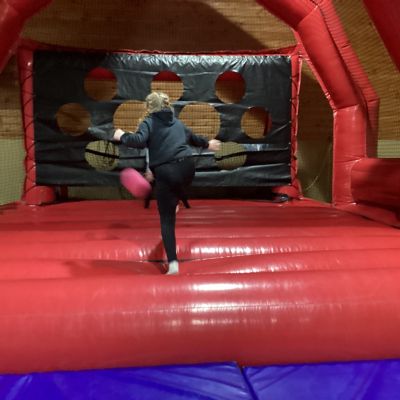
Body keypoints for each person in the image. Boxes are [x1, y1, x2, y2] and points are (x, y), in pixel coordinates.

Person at [113, 91, 221, 275]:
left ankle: (173, 264)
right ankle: (176, 200)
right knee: (176, 185)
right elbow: (192, 137)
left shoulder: (149, 122)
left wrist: (121, 135)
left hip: (168, 172)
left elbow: (139, 141)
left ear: (149, 107)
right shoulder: (177, 122)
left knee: (167, 220)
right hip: (188, 169)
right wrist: (207, 144)